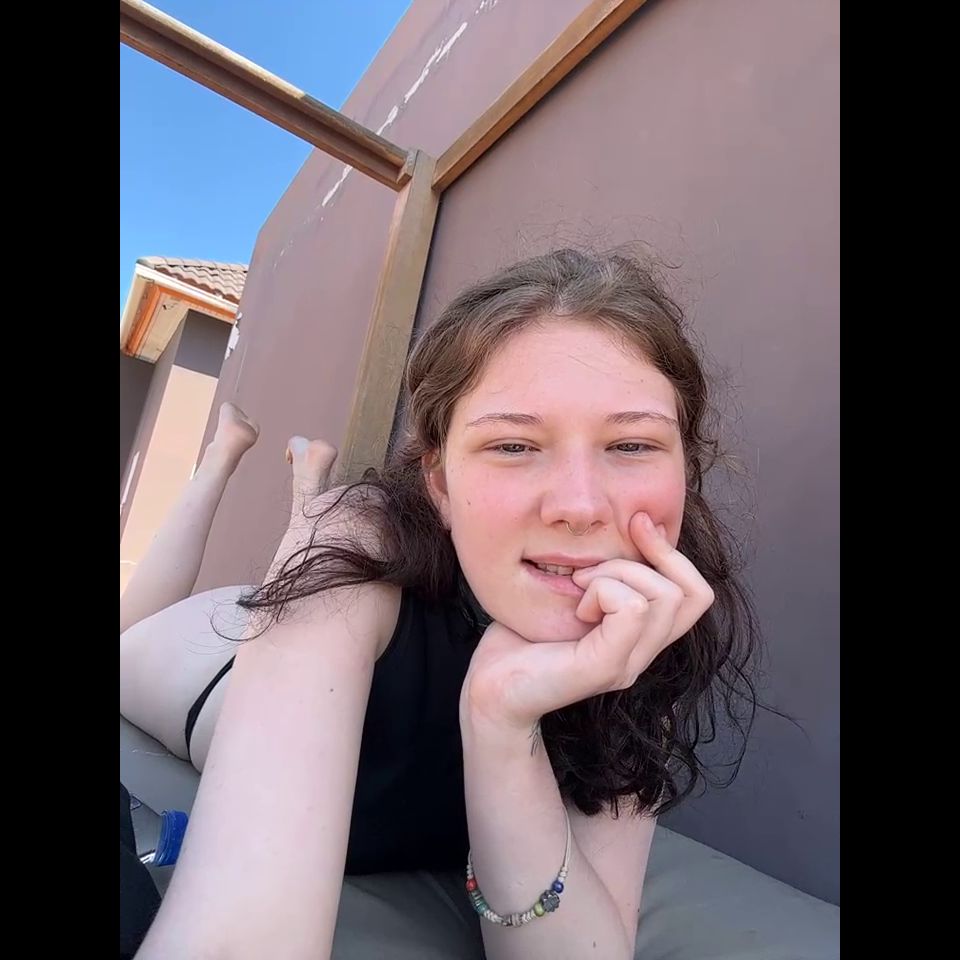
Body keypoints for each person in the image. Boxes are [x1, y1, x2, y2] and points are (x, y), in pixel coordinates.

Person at [122, 248, 758, 960]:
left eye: (632, 444)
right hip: (205, 661)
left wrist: (501, 723)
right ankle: (223, 457)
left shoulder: (646, 628)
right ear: (440, 482)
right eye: (514, 446)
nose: (580, 506)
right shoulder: (363, 535)